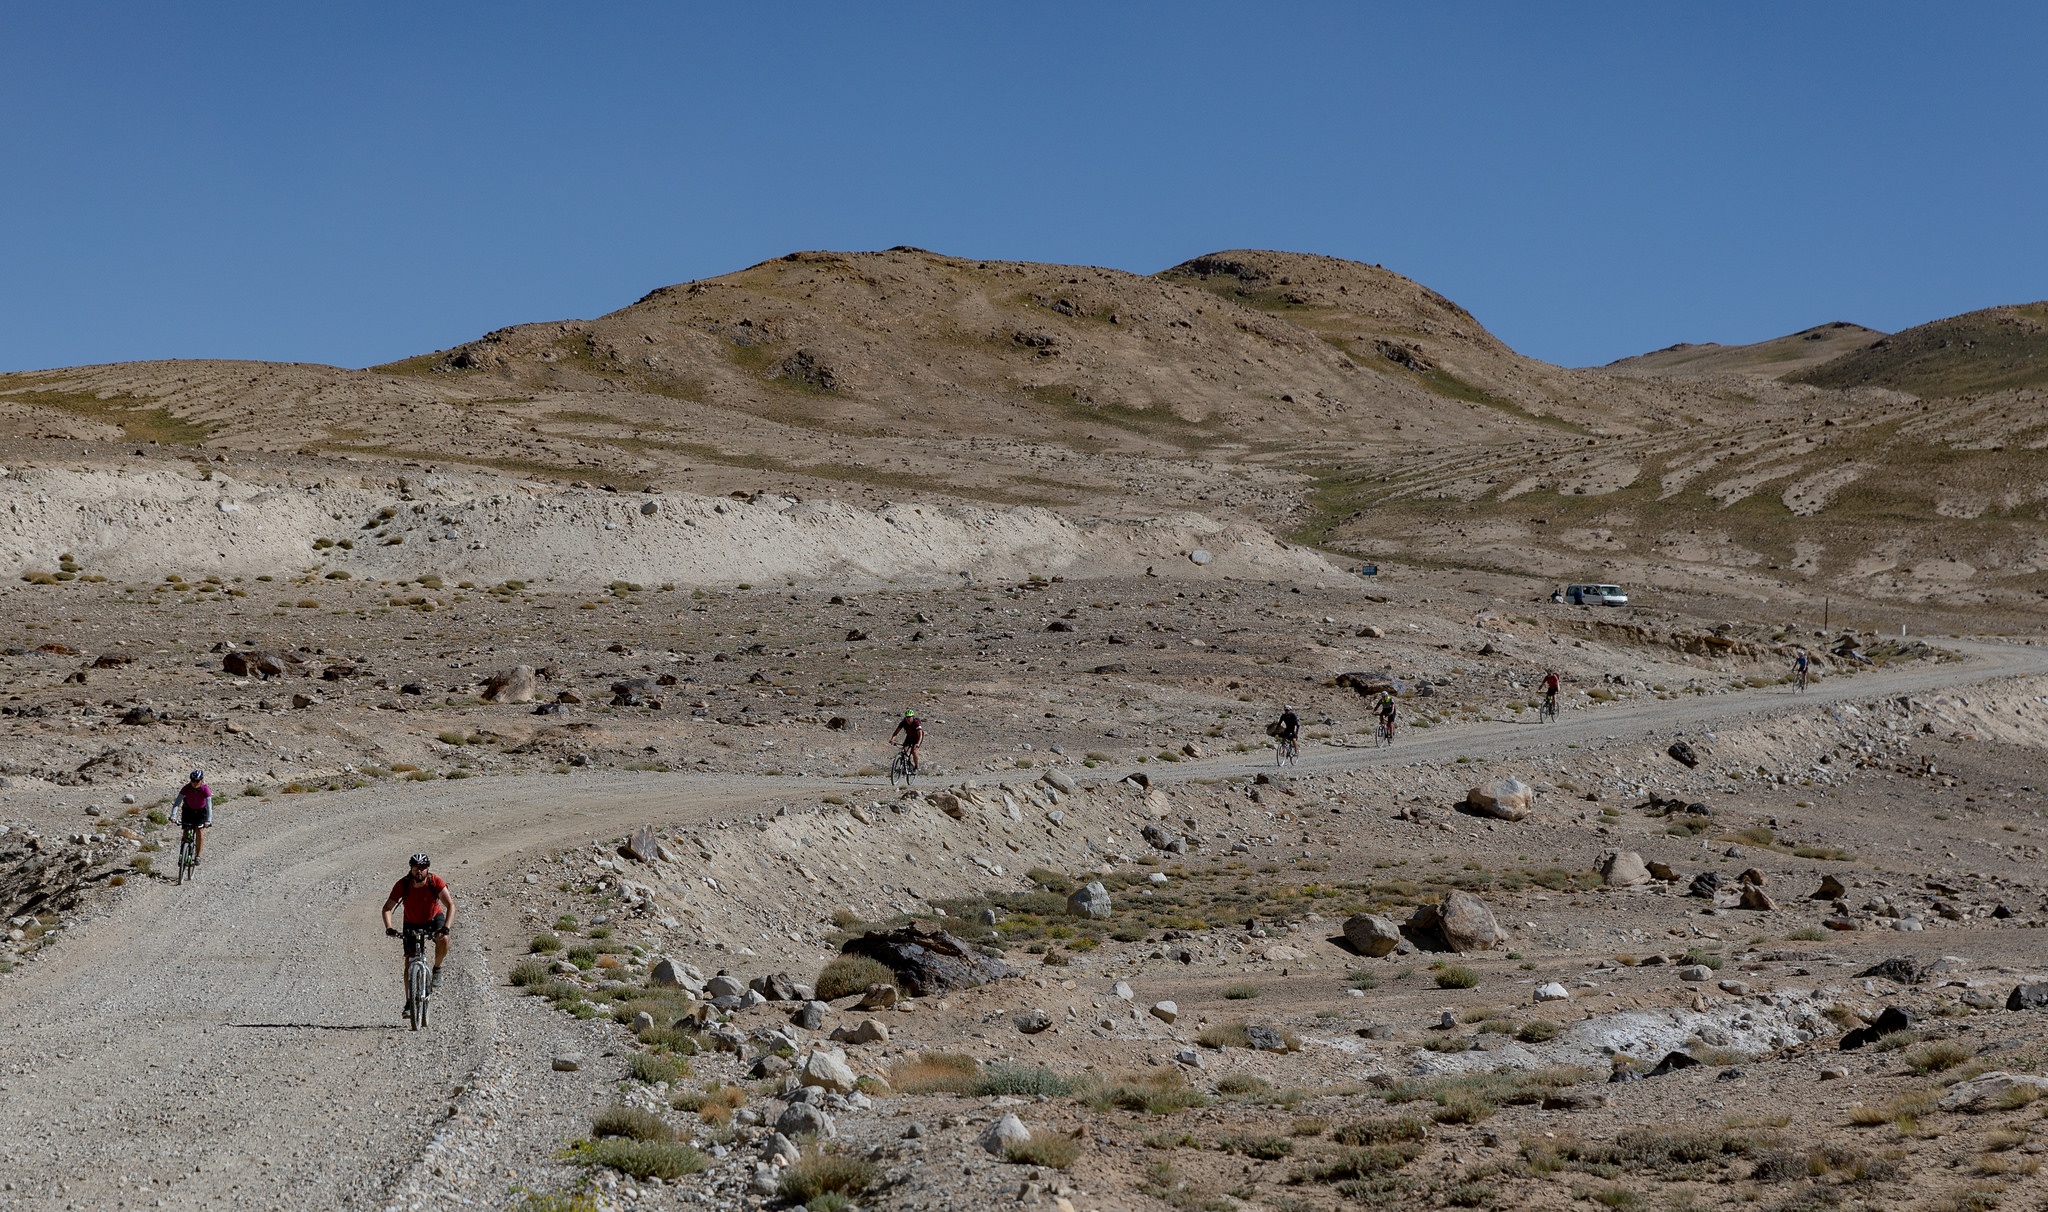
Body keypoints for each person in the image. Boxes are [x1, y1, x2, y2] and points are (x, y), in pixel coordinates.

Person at [381, 854, 453, 1012]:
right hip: (411, 922)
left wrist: (445, 927)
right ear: (411, 868)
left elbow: (450, 905)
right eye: (416, 868)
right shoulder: (403, 884)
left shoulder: (435, 882)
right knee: (409, 963)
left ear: (428, 869)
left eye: (422, 868)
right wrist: (389, 927)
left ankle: (437, 969)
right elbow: (387, 908)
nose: (419, 871)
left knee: (444, 939)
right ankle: (409, 1002)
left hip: (433, 918)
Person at [172, 770, 212, 862]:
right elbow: (177, 803)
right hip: (188, 811)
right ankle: (184, 848)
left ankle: (198, 856)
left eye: (197, 781)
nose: (194, 783)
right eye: (192, 780)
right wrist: (173, 815)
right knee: (186, 829)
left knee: (200, 830)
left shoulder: (205, 789)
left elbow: (209, 806)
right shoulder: (186, 788)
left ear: (201, 780)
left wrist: (208, 820)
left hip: (201, 812)